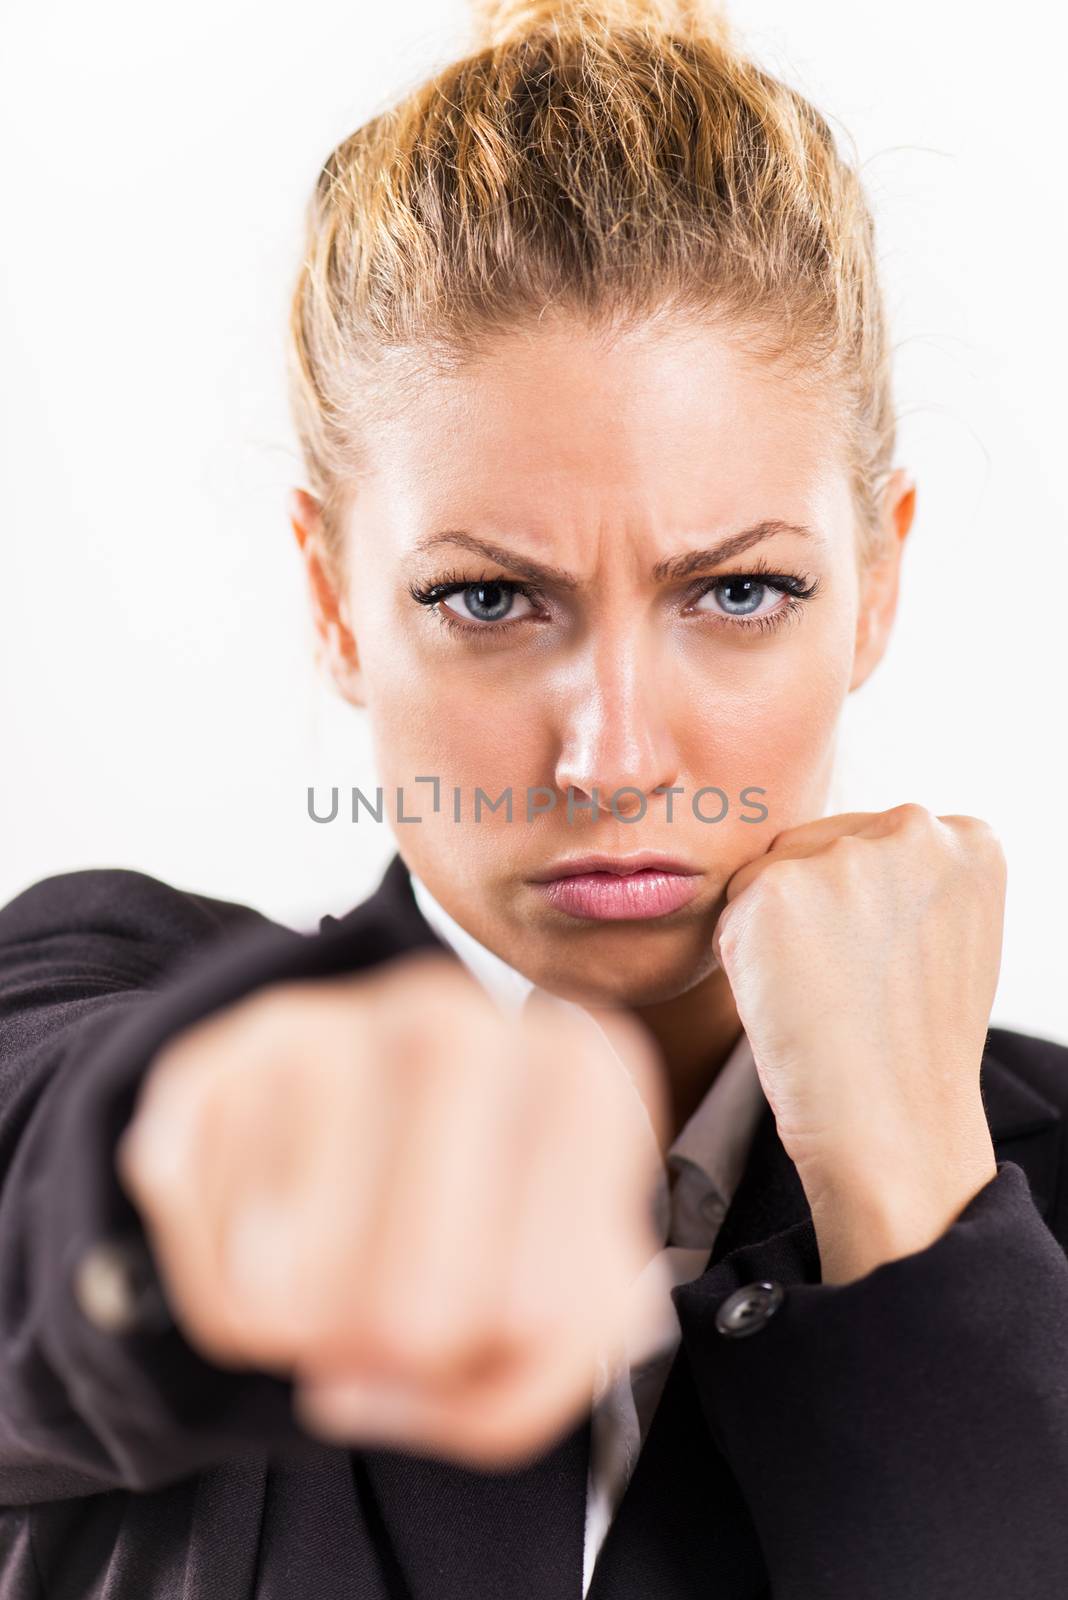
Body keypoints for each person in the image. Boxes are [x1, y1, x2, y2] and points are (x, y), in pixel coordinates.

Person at [2, 0, 1067, 1596]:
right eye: (492, 602)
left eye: (742, 592)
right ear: (335, 601)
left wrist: (909, 1191)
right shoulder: (88, 1010)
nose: (617, 754)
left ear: (881, 580)